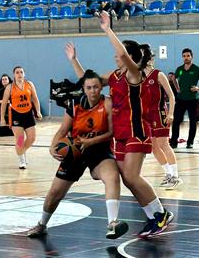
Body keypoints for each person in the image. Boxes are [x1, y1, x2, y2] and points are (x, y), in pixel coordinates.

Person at [66, 13, 174, 239]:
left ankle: (160, 214)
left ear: (130, 57)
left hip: (137, 131)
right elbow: (89, 82)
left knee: (133, 177)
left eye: (121, 52)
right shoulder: (114, 76)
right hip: (121, 134)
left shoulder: (135, 74)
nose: (116, 54)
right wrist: (74, 60)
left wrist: (107, 30)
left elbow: (124, 54)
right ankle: (156, 215)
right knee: (127, 178)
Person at [27, 70, 128, 239]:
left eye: (96, 87)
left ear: (100, 88)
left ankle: (112, 223)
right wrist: (52, 147)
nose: (93, 91)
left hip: (99, 151)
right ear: (84, 88)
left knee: (112, 176)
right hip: (75, 152)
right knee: (55, 193)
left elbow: (111, 133)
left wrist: (91, 142)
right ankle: (42, 224)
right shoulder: (74, 105)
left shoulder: (107, 104)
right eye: (89, 87)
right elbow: (62, 130)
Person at [140, 44, 182, 189]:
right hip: (146, 116)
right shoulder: (138, 77)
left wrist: (170, 113)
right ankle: (168, 174)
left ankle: (176, 176)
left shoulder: (158, 74)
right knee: (154, 147)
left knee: (164, 144)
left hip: (160, 113)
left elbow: (171, 95)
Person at [0, 66, 42, 169]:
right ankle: (21, 159)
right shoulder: (9, 87)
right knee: (20, 139)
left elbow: (35, 99)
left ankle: (21, 151)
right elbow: (4, 103)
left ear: (24, 74)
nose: (19, 74)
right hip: (16, 114)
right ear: (14, 75)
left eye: (21, 72)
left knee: (32, 138)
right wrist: (2, 117)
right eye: (17, 72)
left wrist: (38, 111)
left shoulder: (29, 84)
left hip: (28, 114)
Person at [170, 48, 199, 149]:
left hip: (193, 99)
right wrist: (177, 88)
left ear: (191, 57)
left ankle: (190, 142)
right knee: (176, 121)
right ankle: (174, 141)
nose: (186, 58)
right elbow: (173, 78)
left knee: (192, 121)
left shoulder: (197, 69)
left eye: (188, 56)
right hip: (181, 99)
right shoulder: (179, 69)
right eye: (184, 56)